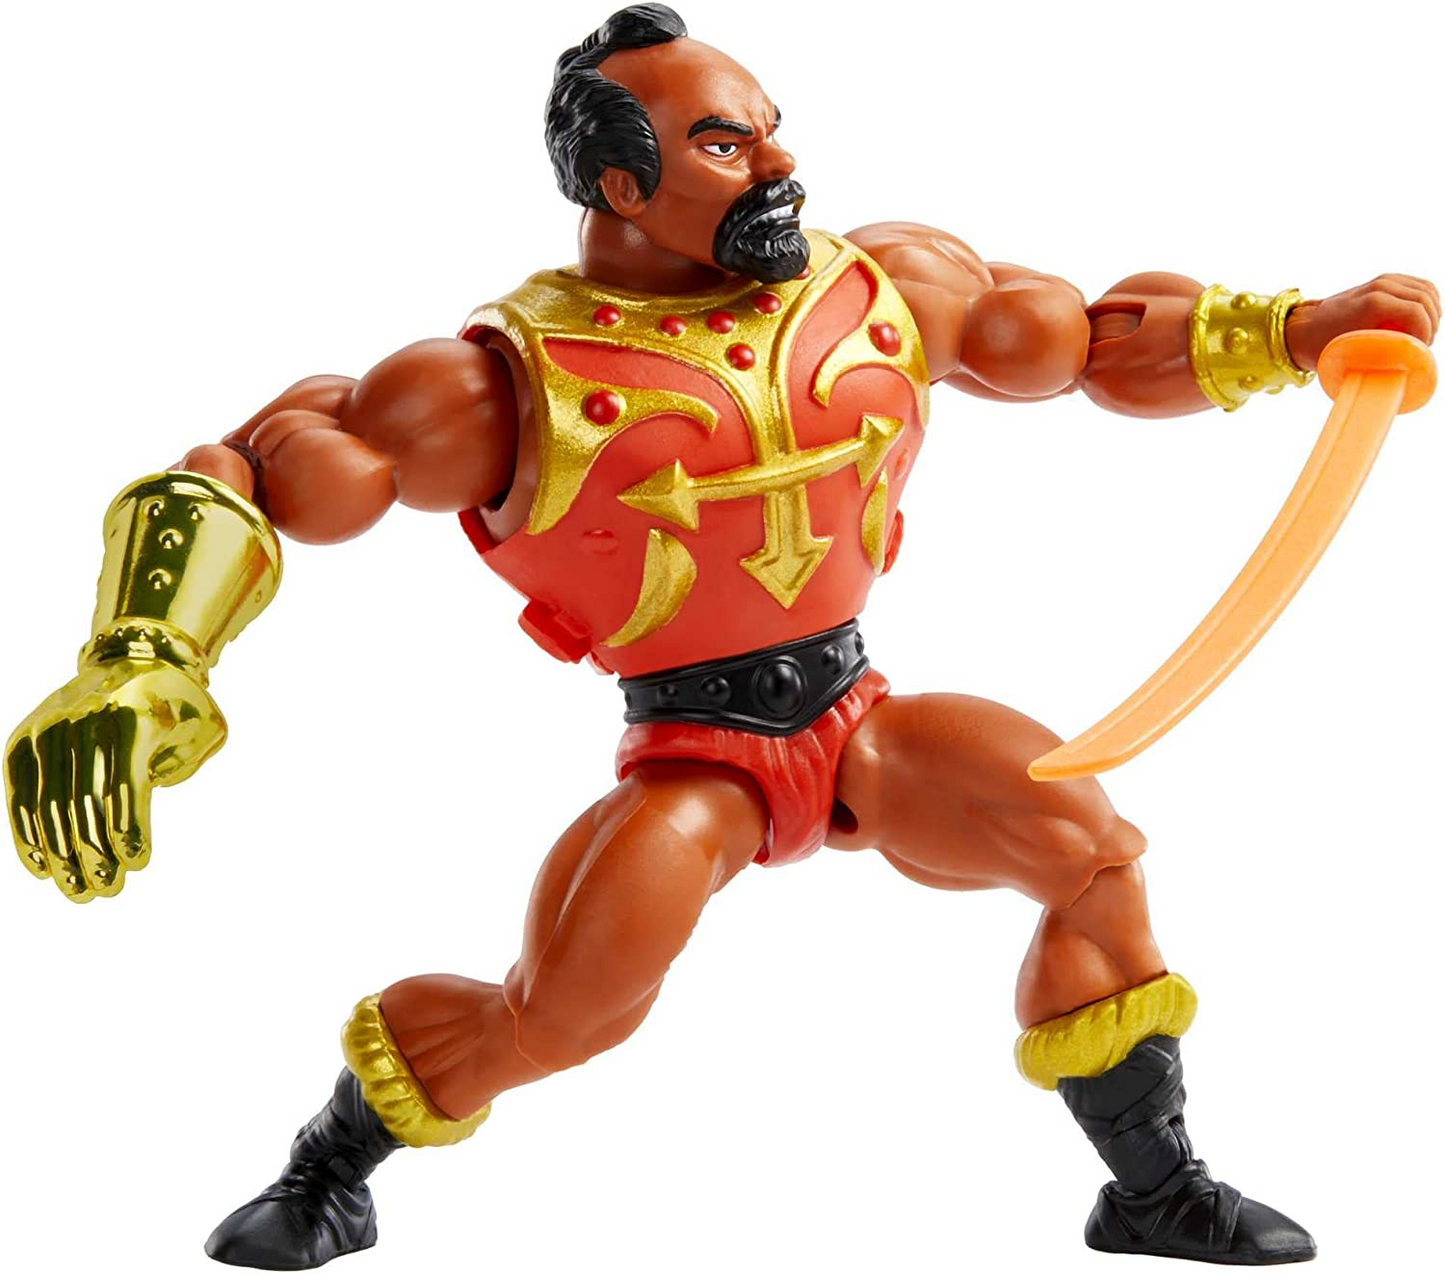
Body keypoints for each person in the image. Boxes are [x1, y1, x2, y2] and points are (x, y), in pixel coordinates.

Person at [6, 5, 1437, 1268]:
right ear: (622, 185)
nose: (775, 163)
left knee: (1090, 850)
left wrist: (1297, 330)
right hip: (696, 751)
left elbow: (1080, 337)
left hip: (860, 714)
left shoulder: (875, 284)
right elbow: (264, 465)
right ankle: (333, 1163)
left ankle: (1155, 1190)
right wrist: (139, 655)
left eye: (766, 128)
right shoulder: (505, 385)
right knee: (561, 1015)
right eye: (721, 144)